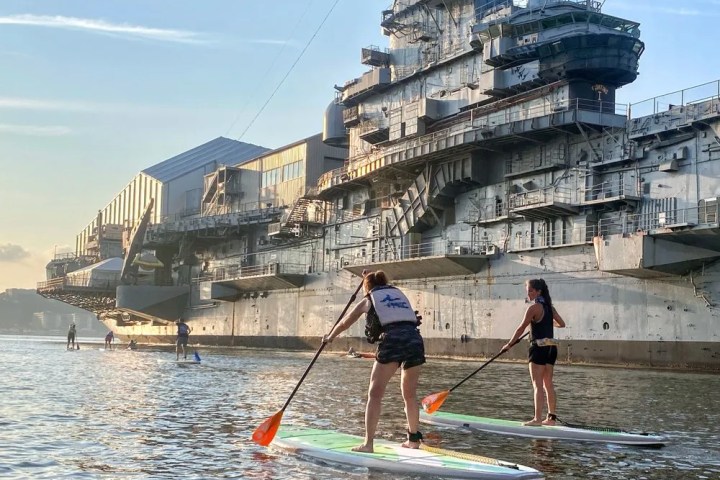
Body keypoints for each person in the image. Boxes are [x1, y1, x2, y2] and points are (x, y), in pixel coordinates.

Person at [322, 270, 425, 453]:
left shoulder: (369, 300)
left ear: (367, 287)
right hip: (415, 341)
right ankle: (413, 440)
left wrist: (330, 337)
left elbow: (346, 322)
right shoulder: (398, 295)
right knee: (410, 395)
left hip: (393, 341)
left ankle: (368, 444)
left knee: (375, 394)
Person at [502, 278, 566, 426]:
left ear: (538, 291)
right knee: (548, 384)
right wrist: (548, 323)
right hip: (551, 348)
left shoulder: (534, 308)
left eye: (531, 290)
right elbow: (562, 324)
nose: (528, 293)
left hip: (538, 348)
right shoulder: (550, 307)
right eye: (528, 290)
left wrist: (509, 345)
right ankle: (551, 419)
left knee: (537, 385)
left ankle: (537, 419)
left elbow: (521, 328)